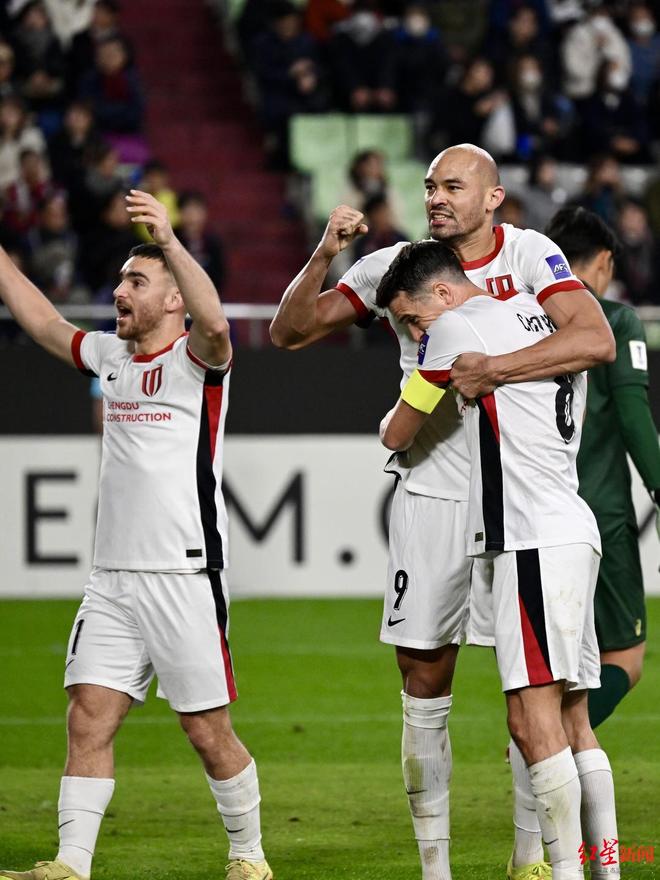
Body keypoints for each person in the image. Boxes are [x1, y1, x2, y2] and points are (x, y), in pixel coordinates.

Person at [270, 143, 614, 880]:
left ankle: (533, 859)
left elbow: (593, 338)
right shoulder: (395, 267)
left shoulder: (530, 255)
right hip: (432, 496)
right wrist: (324, 253)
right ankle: (438, 869)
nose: (436, 197)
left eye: (453, 186)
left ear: (492, 197)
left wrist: (493, 372)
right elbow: (289, 332)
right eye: (429, 186)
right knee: (424, 680)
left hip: (515, 501)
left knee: (534, 693)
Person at [0, 190, 272, 880]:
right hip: (112, 579)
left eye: (137, 281)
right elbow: (44, 322)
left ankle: (249, 856)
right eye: (122, 279)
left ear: (174, 299)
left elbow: (217, 322)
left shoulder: (198, 362)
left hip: (184, 573)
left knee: (206, 730)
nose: (120, 291)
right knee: (87, 716)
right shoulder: (111, 357)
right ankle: (71, 863)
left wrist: (171, 242)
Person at [377, 239, 620, 880]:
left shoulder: (455, 328)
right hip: (572, 526)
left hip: (529, 536)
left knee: (530, 721)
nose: (416, 334)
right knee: (573, 720)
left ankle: (566, 871)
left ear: (444, 292)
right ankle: (607, 869)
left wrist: (396, 413)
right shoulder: (543, 319)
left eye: (413, 319)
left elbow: (399, 431)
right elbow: (593, 341)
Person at [545, 206, 660, 728]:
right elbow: (635, 420)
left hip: (531, 516)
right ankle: (541, 748)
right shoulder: (615, 320)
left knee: (549, 665)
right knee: (623, 658)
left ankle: (539, 744)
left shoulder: (522, 320)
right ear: (605, 261)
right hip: (599, 514)